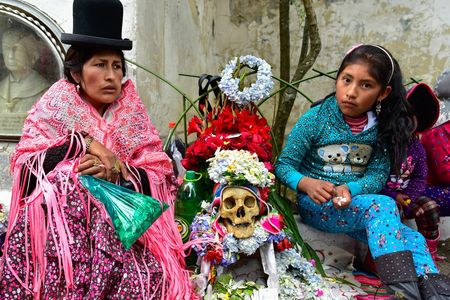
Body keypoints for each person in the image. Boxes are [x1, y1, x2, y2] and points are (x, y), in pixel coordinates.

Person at [0, 0, 196, 299]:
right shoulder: (55, 107)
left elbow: (160, 175)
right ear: (77, 74)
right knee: (66, 178)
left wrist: (118, 172)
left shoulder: (131, 113)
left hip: (125, 238)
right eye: (100, 65)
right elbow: (25, 170)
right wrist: (79, 144)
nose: (110, 76)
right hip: (59, 243)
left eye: (116, 66)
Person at [275, 44, 450, 299]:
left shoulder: (379, 128)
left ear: (383, 93)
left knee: (414, 238)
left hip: (355, 205)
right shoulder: (315, 119)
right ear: (338, 78)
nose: (351, 92)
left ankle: (436, 293)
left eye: (366, 85)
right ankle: (402, 292)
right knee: (381, 206)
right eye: (347, 80)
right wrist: (306, 183)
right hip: (318, 206)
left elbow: (377, 175)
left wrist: (350, 188)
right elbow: (284, 165)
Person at [381, 83, 443, 263]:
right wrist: (393, 195)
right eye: (404, 116)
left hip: (408, 196)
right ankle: (391, 255)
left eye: (413, 117)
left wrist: (408, 196)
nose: (408, 121)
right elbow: (375, 176)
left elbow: (420, 176)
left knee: (429, 208)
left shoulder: (416, 147)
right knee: (391, 213)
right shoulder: (384, 144)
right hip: (384, 196)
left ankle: (427, 250)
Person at [0, 26, 50, 113]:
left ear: (32, 54)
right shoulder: (2, 86)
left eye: (16, 49)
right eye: (7, 49)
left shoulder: (43, 89)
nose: (10, 56)